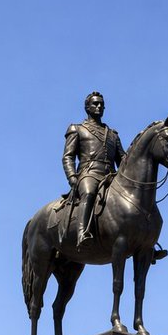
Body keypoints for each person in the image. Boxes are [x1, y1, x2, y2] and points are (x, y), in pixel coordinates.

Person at [62, 91, 125, 247]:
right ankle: (82, 233)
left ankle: (147, 242)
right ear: (87, 107)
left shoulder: (113, 135)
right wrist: (72, 177)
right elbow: (68, 156)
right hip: (89, 173)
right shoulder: (77, 129)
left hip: (111, 176)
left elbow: (122, 159)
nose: (99, 107)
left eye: (102, 105)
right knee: (89, 193)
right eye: (95, 104)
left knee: (135, 198)